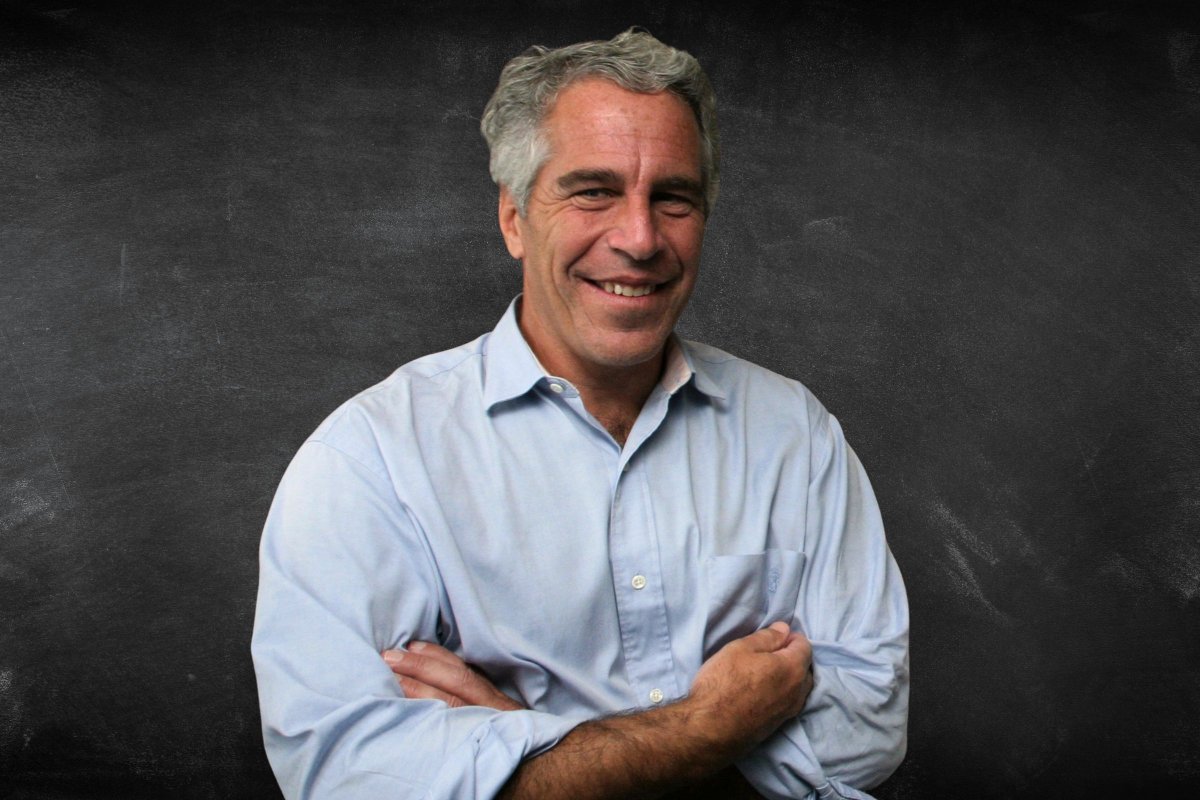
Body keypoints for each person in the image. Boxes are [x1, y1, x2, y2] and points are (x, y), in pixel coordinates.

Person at [252, 29, 908, 800]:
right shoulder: (374, 459)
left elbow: (868, 732)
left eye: (674, 198)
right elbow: (348, 776)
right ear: (513, 217)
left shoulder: (796, 435)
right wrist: (711, 725)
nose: (640, 238)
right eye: (593, 191)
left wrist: (524, 752)